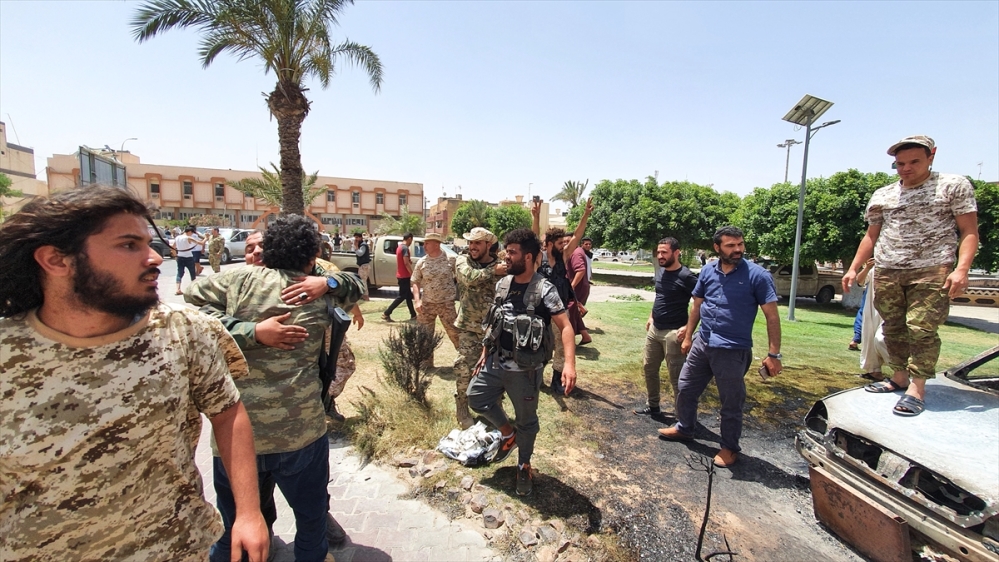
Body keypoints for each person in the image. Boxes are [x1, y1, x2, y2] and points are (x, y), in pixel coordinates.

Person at [0, 186, 268, 561]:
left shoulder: (184, 331)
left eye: (146, 242)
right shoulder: (9, 353)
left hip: (176, 547)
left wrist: (249, 512)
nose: (155, 257)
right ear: (56, 260)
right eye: (129, 245)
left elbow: (228, 412)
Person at [186, 215, 361, 562]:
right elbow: (356, 287)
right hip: (300, 433)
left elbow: (193, 300)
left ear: (268, 252)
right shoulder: (317, 292)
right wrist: (327, 282)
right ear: (312, 255)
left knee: (235, 526)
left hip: (238, 434)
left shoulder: (237, 281)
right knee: (311, 522)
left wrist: (246, 330)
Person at [842, 135, 979, 417]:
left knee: (921, 328)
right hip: (888, 269)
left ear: (932, 156)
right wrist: (854, 267)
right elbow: (871, 235)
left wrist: (962, 269)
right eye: (900, 164)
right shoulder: (883, 195)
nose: (906, 168)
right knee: (892, 327)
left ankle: (917, 388)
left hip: (932, 268)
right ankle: (899, 377)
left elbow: (969, 231)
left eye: (914, 162)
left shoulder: (953, 186)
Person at [658, 226, 782, 469]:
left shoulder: (758, 275)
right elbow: (697, 306)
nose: (737, 250)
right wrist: (688, 336)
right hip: (703, 343)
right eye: (730, 245)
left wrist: (773, 354)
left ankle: (729, 447)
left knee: (731, 401)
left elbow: (772, 316)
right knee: (685, 387)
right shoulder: (708, 270)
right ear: (717, 247)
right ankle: (685, 427)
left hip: (733, 349)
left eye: (740, 244)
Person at [467, 228, 577, 496]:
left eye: (512, 252)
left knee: (527, 421)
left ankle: (523, 465)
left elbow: (565, 327)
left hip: (525, 371)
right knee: (476, 397)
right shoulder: (503, 284)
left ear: (528, 257)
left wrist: (569, 365)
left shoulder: (544, 289)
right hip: (495, 361)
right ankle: (508, 434)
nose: (506, 256)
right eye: (506, 251)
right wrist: (484, 353)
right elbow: (495, 321)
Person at [532, 198, 593, 393]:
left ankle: (557, 380)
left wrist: (586, 215)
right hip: (540, 311)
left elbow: (577, 236)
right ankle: (536, 379)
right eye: (560, 243)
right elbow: (533, 238)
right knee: (539, 345)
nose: (563, 245)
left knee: (560, 346)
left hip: (559, 309)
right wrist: (535, 217)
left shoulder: (563, 257)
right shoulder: (539, 258)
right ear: (550, 244)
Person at [637, 237, 698, 419]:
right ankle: (653, 405)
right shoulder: (661, 272)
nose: (660, 256)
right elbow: (660, 297)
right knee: (649, 368)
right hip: (655, 330)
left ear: (676, 253)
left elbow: (700, 303)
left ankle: (683, 419)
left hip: (674, 333)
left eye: (664, 252)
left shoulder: (686, 277)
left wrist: (688, 329)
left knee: (677, 378)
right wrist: (651, 316)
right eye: (658, 252)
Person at [453, 227, 507, 429]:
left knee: (495, 371)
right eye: (470, 242)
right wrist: (493, 272)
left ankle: (496, 408)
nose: (472, 246)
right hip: (469, 327)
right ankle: (462, 407)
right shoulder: (463, 260)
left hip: (494, 329)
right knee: (464, 369)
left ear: (488, 245)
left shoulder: (500, 264)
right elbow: (468, 278)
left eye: (477, 243)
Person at [411, 232, 460, 366]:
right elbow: (415, 281)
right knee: (425, 335)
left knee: (455, 333)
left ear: (437, 244)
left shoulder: (451, 260)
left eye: (427, 243)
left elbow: (460, 278)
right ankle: (426, 364)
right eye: (424, 243)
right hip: (427, 304)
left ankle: (466, 360)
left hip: (446, 304)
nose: (424, 246)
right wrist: (417, 301)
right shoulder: (422, 262)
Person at [858, 260, 889, 380]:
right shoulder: (874, 269)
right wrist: (866, 268)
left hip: (892, 310)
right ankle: (874, 370)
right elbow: (859, 281)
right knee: (869, 340)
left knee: (882, 339)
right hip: (872, 308)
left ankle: (901, 369)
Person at [382, 232, 416, 321]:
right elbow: (406, 263)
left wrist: (409, 260)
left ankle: (413, 315)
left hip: (401, 275)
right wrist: (412, 274)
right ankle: (386, 313)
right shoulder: (405, 248)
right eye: (411, 240)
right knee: (402, 296)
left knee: (408, 296)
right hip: (404, 276)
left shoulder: (400, 247)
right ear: (409, 239)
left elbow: (405, 260)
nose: (411, 242)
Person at [848, 258, 875, 351]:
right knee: (863, 314)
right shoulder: (872, 268)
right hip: (870, 298)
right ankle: (855, 340)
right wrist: (867, 268)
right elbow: (859, 281)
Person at [173, 224, 200, 295]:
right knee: (192, 273)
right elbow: (201, 243)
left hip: (180, 257)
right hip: (188, 257)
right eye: (192, 233)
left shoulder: (177, 237)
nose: (192, 234)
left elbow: (173, 247)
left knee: (179, 273)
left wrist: (175, 256)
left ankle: (178, 289)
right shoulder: (188, 238)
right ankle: (194, 289)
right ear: (190, 232)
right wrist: (206, 238)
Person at [354, 231, 372, 300]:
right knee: (362, 281)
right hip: (363, 266)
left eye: (357, 237)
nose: (356, 239)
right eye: (355, 237)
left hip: (364, 266)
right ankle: (363, 296)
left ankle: (366, 296)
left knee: (363, 281)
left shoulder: (363, 245)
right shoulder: (361, 244)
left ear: (360, 238)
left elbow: (360, 253)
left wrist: (356, 247)